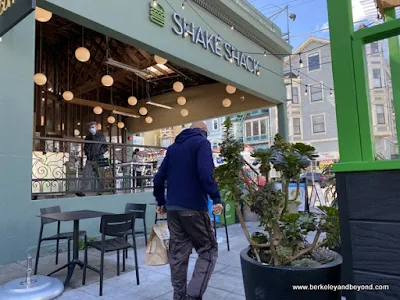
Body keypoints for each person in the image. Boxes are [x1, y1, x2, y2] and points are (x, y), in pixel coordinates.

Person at [153, 121, 224, 300]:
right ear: (202, 131)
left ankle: (179, 297)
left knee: (178, 255)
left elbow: (159, 178)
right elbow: (205, 173)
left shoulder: (173, 148)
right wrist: (216, 197)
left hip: (173, 209)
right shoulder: (202, 143)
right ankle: (193, 296)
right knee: (208, 250)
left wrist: (161, 201)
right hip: (193, 207)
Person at [76, 121, 108, 197]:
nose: (91, 129)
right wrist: (87, 152)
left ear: (96, 127)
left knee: (99, 176)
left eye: (93, 127)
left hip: (99, 158)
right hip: (89, 159)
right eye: (90, 127)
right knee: (86, 174)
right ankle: (82, 191)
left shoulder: (101, 136)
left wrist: (99, 152)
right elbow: (85, 147)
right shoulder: (88, 137)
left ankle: (100, 192)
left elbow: (105, 147)